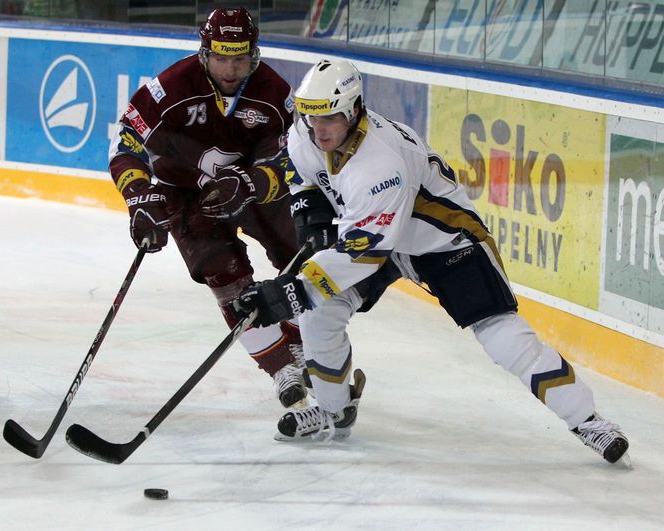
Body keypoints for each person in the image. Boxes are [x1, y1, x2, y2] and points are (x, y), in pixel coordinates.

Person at [213, 58, 629, 464]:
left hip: (445, 243)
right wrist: (310, 214)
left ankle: (588, 420)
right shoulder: (311, 130)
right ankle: (333, 410)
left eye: (330, 119)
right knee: (319, 313)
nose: (319, 129)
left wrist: (286, 293)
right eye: (311, 118)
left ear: (354, 111)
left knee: (504, 339)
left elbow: (361, 255)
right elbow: (297, 170)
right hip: (385, 240)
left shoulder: (379, 165)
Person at [108, 7, 308, 408]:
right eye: (221, 57)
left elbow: (299, 157)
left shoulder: (274, 93)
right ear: (204, 53)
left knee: (303, 256)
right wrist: (138, 196)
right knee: (223, 272)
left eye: (240, 58)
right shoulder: (171, 87)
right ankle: (281, 364)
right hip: (185, 194)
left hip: (255, 190)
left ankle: (303, 340)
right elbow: (125, 141)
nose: (231, 69)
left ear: (253, 53)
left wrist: (255, 182)